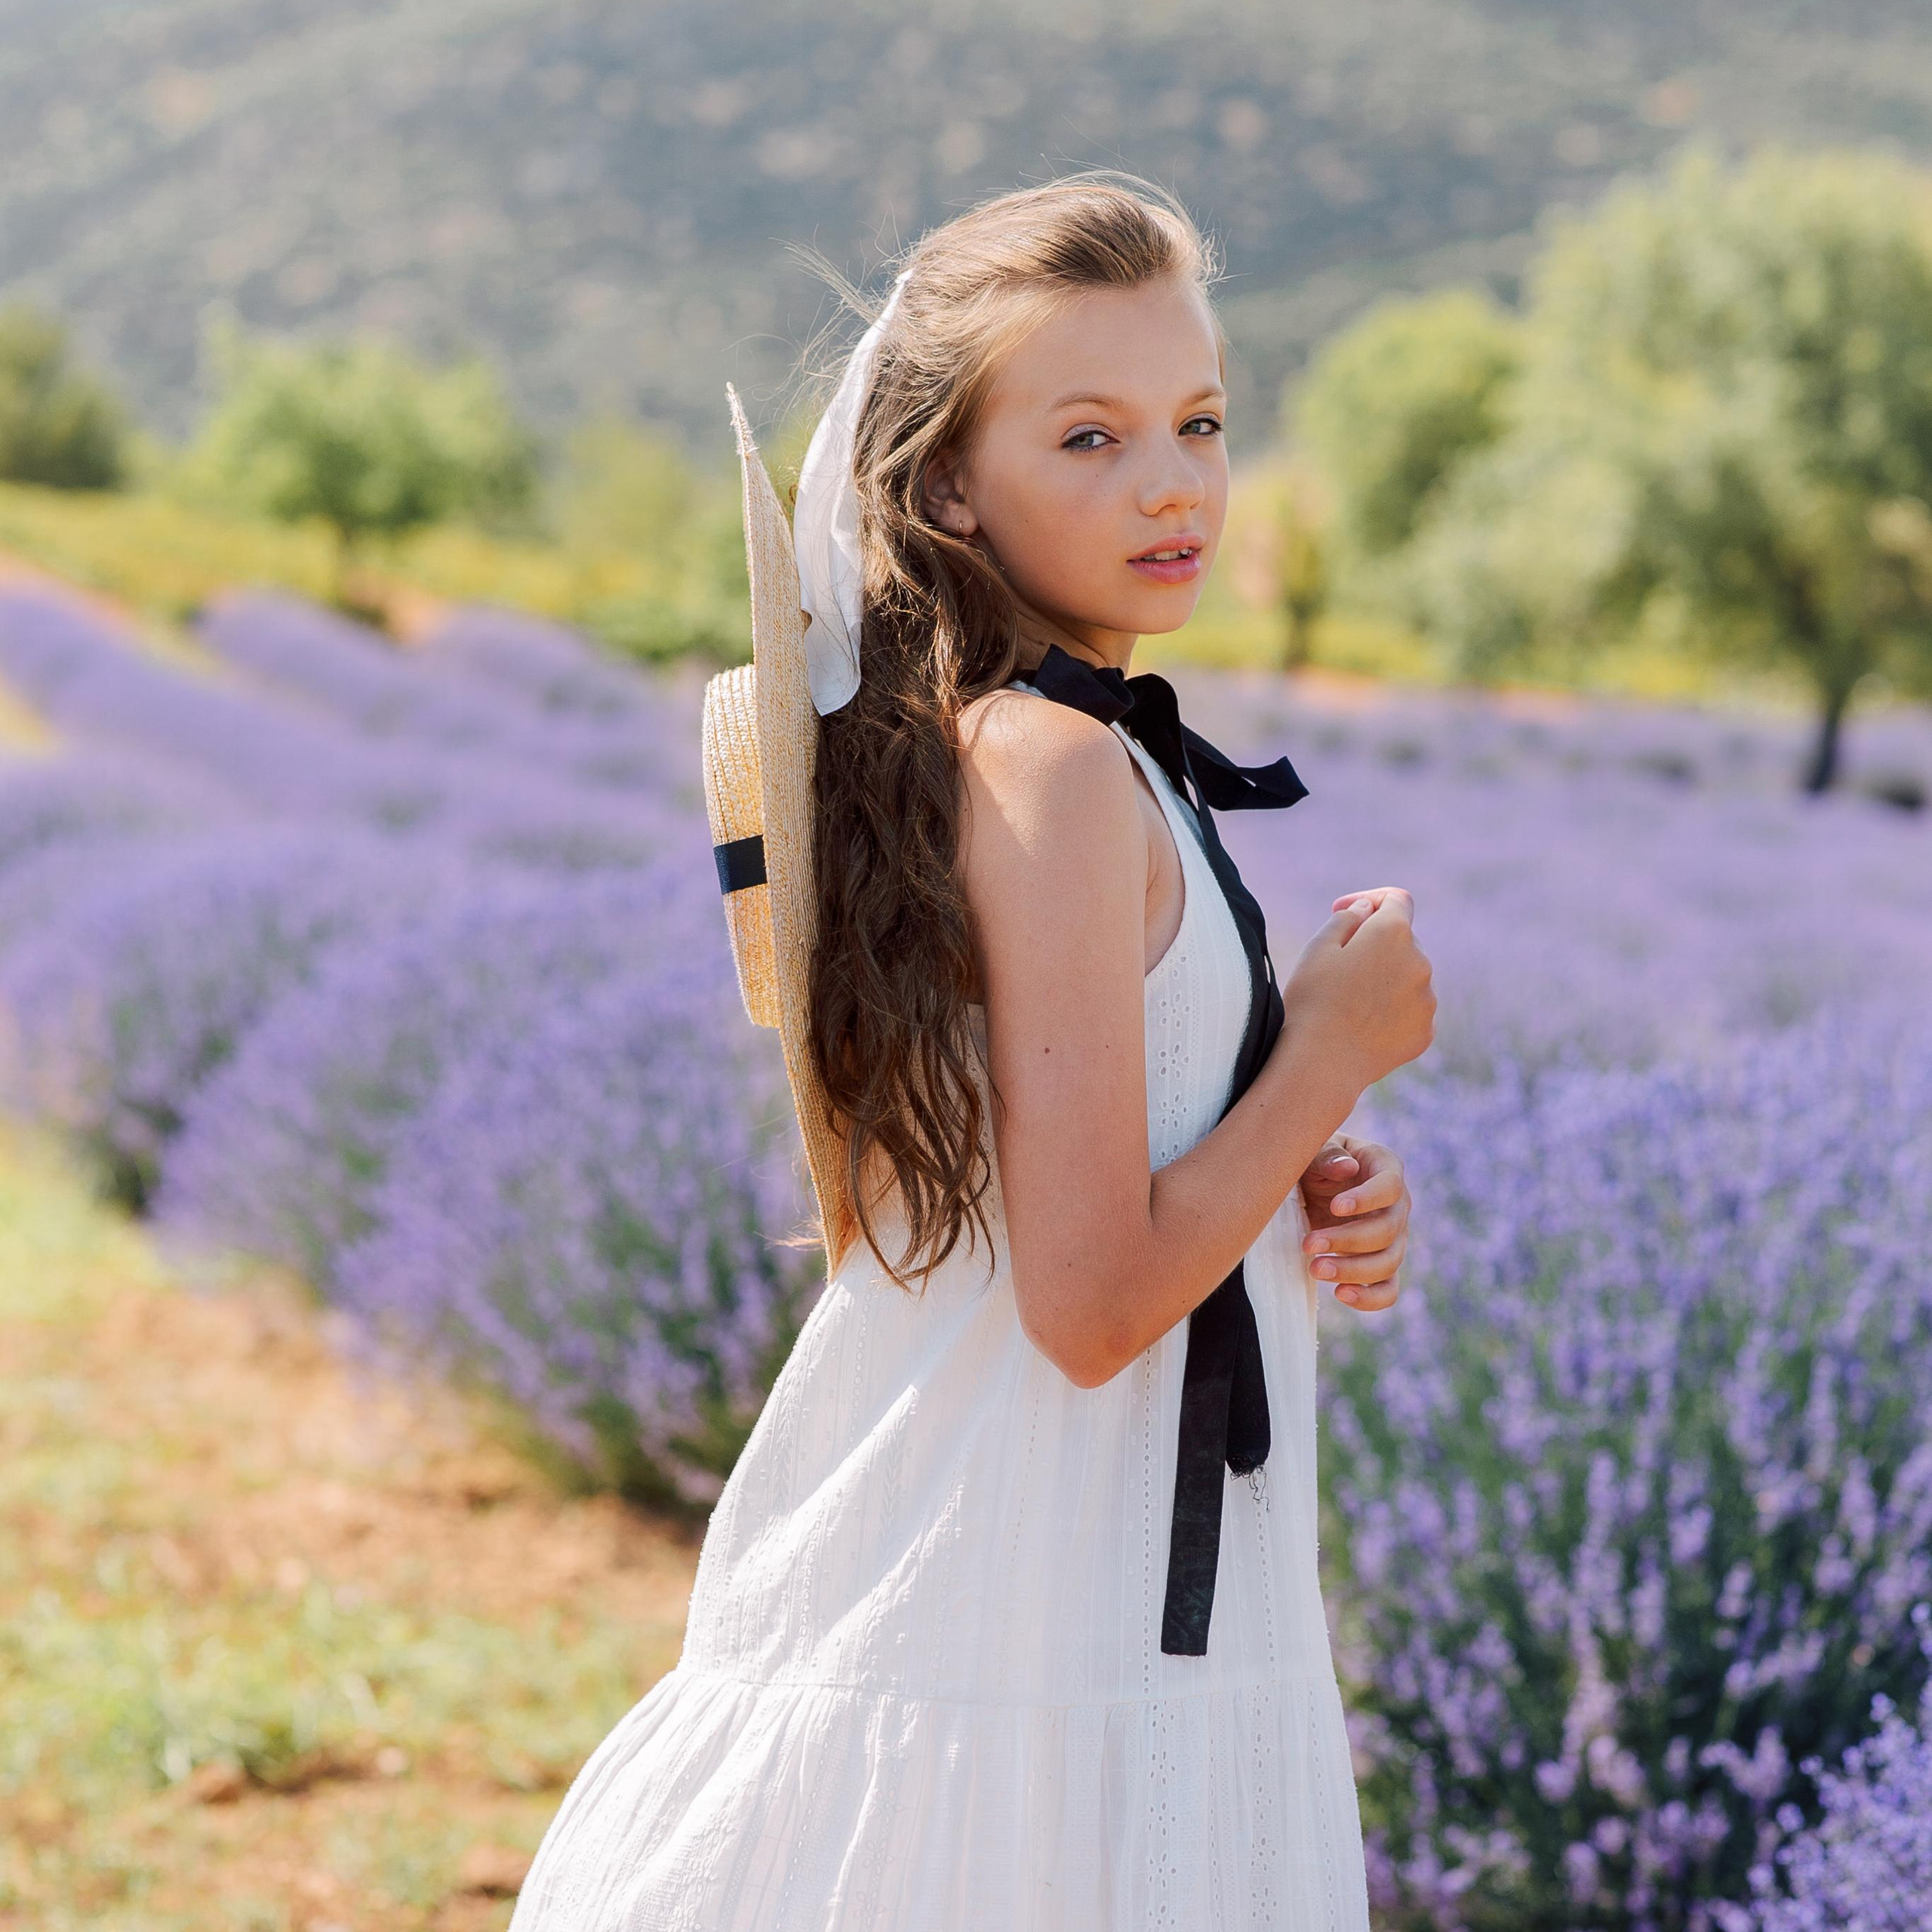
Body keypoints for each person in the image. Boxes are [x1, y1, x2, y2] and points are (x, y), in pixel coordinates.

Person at [510, 170, 1435, 1932]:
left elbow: (1082, 1181)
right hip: (1028, 1587)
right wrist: (1326, 1055)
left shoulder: (1063, 745)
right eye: (1085, 436)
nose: (1170, 480)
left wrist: (1294, 1181)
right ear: (946, 480)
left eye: (1199, 420)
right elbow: (1086, 1303)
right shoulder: (1055, 764)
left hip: (1043, 1572)